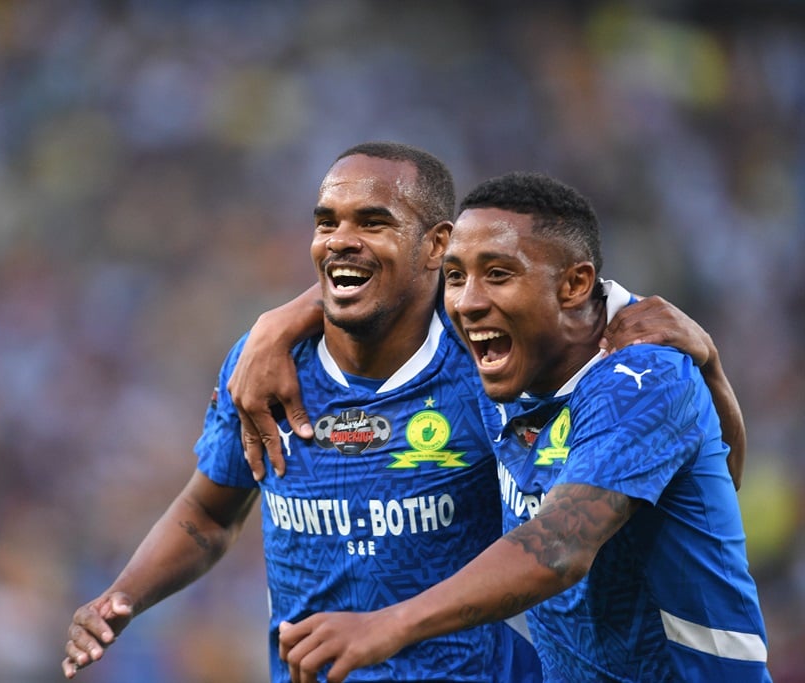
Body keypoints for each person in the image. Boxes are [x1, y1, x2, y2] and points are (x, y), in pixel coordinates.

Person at [62, 142, 543, 681]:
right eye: (326, 222)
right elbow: (210, 514)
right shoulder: (266, 364)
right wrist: (122, 595)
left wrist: (625, 311)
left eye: (372, 222)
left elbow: (551, 545)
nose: (340, 241)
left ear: (436, 246)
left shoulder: (489, 365)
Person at [272, 172, 771, 682]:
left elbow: (558, 548)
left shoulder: (641, 375)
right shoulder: (506, 344)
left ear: (574, 284)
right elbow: (381, 283)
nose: (466, 302)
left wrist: (390, 625)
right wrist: (276, 327)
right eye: (456, 275)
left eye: (498, 273)